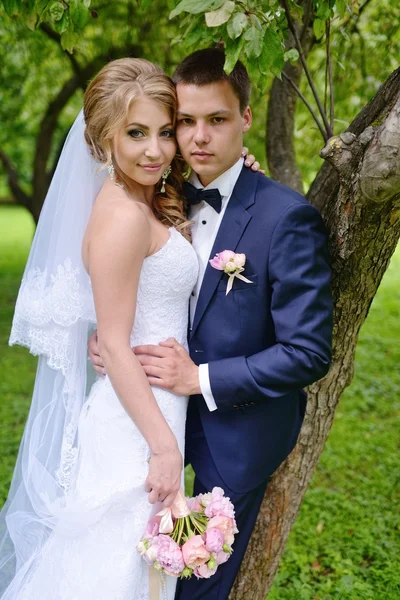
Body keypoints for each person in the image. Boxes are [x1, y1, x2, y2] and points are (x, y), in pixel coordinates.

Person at [89, 48, 334, 600]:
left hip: (235, 431)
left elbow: (308, 352)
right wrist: (110, 336)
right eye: (186, 122)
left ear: (245, 118)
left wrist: (197, 378)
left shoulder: (285, 217)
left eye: (217, 120)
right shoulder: (158, 190)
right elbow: (125, 274)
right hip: (148, 421)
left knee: (195, 585)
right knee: (129, 570)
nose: (199, 137)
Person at [0, 58, 199, 600]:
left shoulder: (142, 199)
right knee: (114, 573)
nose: (156, 150)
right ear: (103, 136)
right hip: (136, 428)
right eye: (136, 134)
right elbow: (112, 340)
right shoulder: (123, 215)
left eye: (164, 132)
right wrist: (162, 449)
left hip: (154, 407)